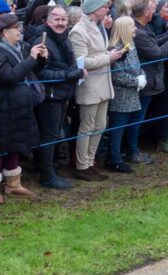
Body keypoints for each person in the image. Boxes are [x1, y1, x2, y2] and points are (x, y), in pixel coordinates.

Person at [0, 13, 47, 202]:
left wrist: (39, 60)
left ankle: (13, 184)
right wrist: (31, 58)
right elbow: (10, 76)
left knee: (16, 141)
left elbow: (29, 72)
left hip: (19, 105)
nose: (21, 32)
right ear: (5, 32)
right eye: (17, 29)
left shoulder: (20, 47)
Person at [70, 0, 125, 181]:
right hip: (90, 85)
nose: (107, 9)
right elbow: (81, 62)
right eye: (104, 6)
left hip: (103, 83)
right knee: (86, 126)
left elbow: (101, 51)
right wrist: (108, 58)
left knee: (100, 125)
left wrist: (112, 53)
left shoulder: (99, 25)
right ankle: (81, 166)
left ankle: (90, 162)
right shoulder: (78, 31)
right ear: (94, 9)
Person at [31, 5, 83, 189]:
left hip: (63, 94)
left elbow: (67, 64)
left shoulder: (64, 38)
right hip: (49, 96)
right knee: (50, 135)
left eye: (63, 19)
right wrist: (70, 75)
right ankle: (47, 175)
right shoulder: (42, 41)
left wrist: (72, 73)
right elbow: (40, 74)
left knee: (54, 135)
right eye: (57, 19)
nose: (61, 23)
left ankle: (47, 168)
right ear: (48, 20)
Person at [106, 16, 146, 173]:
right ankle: (114, 159)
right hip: (121, 97)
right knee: (117, 128)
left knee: (124, 127)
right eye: (132, 26)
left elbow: (138, 66)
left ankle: (117, 155)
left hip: (132, 96)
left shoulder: (132, 45)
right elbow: (117, 76)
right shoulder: (115, 48)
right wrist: (136, 81)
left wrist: (142, 75)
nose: (135, 28)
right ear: (123, 29)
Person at [132, 0, 168, 158]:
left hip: (152, 79)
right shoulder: (139, 31)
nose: (153, 12)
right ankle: (132, 150)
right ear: (146, 12)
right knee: (138, 117)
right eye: (152, 9)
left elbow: (155, 41)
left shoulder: (143, 28)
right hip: (146, 80)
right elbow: (157, 52)